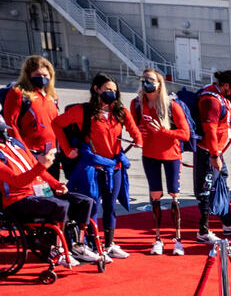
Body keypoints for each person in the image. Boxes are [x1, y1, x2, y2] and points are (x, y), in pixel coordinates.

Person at [52, 73, 143, 260]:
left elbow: (135, 131)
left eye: (114, 90)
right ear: (96, 89)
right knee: (91, 207)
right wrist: (68, 149)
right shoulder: (83, 111)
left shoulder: (120, 112)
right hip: (91, 168)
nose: (111, 93)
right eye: (107, 89)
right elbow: (57, 124)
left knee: (110, 206)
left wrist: (137, 140)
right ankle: (91, 245)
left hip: (115, 167)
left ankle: (109, 245)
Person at [0, 115, 97, 264]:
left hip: (35, 193)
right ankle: (57, 249)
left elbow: (37, 169)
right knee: (60, 205)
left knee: (84, 201)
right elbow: (17, 181)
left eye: (4, 131)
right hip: (17, 201)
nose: (4, 135)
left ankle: (79, 244)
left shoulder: (15, 144)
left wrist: (55, 184)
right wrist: (42, 165)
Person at [132, 68, 190, 255]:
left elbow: (185, 134)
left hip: (171, 155)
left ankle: (178, 239)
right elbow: (133, 126)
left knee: (174, 195)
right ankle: (157, 239)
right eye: (143, 80)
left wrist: (163, 131)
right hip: (149, 155)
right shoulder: (138, 104)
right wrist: (138, 136)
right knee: (155, 196)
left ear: (159, 84)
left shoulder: (172, 106)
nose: (146, 83)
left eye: (150, 80)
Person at [187, 70, 231, 244]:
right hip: (209, 152)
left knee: (221, 184)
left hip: (217, 151)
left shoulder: (221, 98)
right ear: (226, 86)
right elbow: (210, 130)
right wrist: (214, 155)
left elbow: (224, 124)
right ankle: (203, 231)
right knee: (207, 190)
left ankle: (227, 222)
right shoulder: (211, 100)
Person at [4, 55, 60, 176]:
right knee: (35, 191)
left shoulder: (52, 96)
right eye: (37, 75)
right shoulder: (18, 94)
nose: (42, 78)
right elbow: (11, 125)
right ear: (28, 75)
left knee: (53, 190)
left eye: (45, 75)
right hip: (31, 153)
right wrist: (23, 151)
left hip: (51, 153)